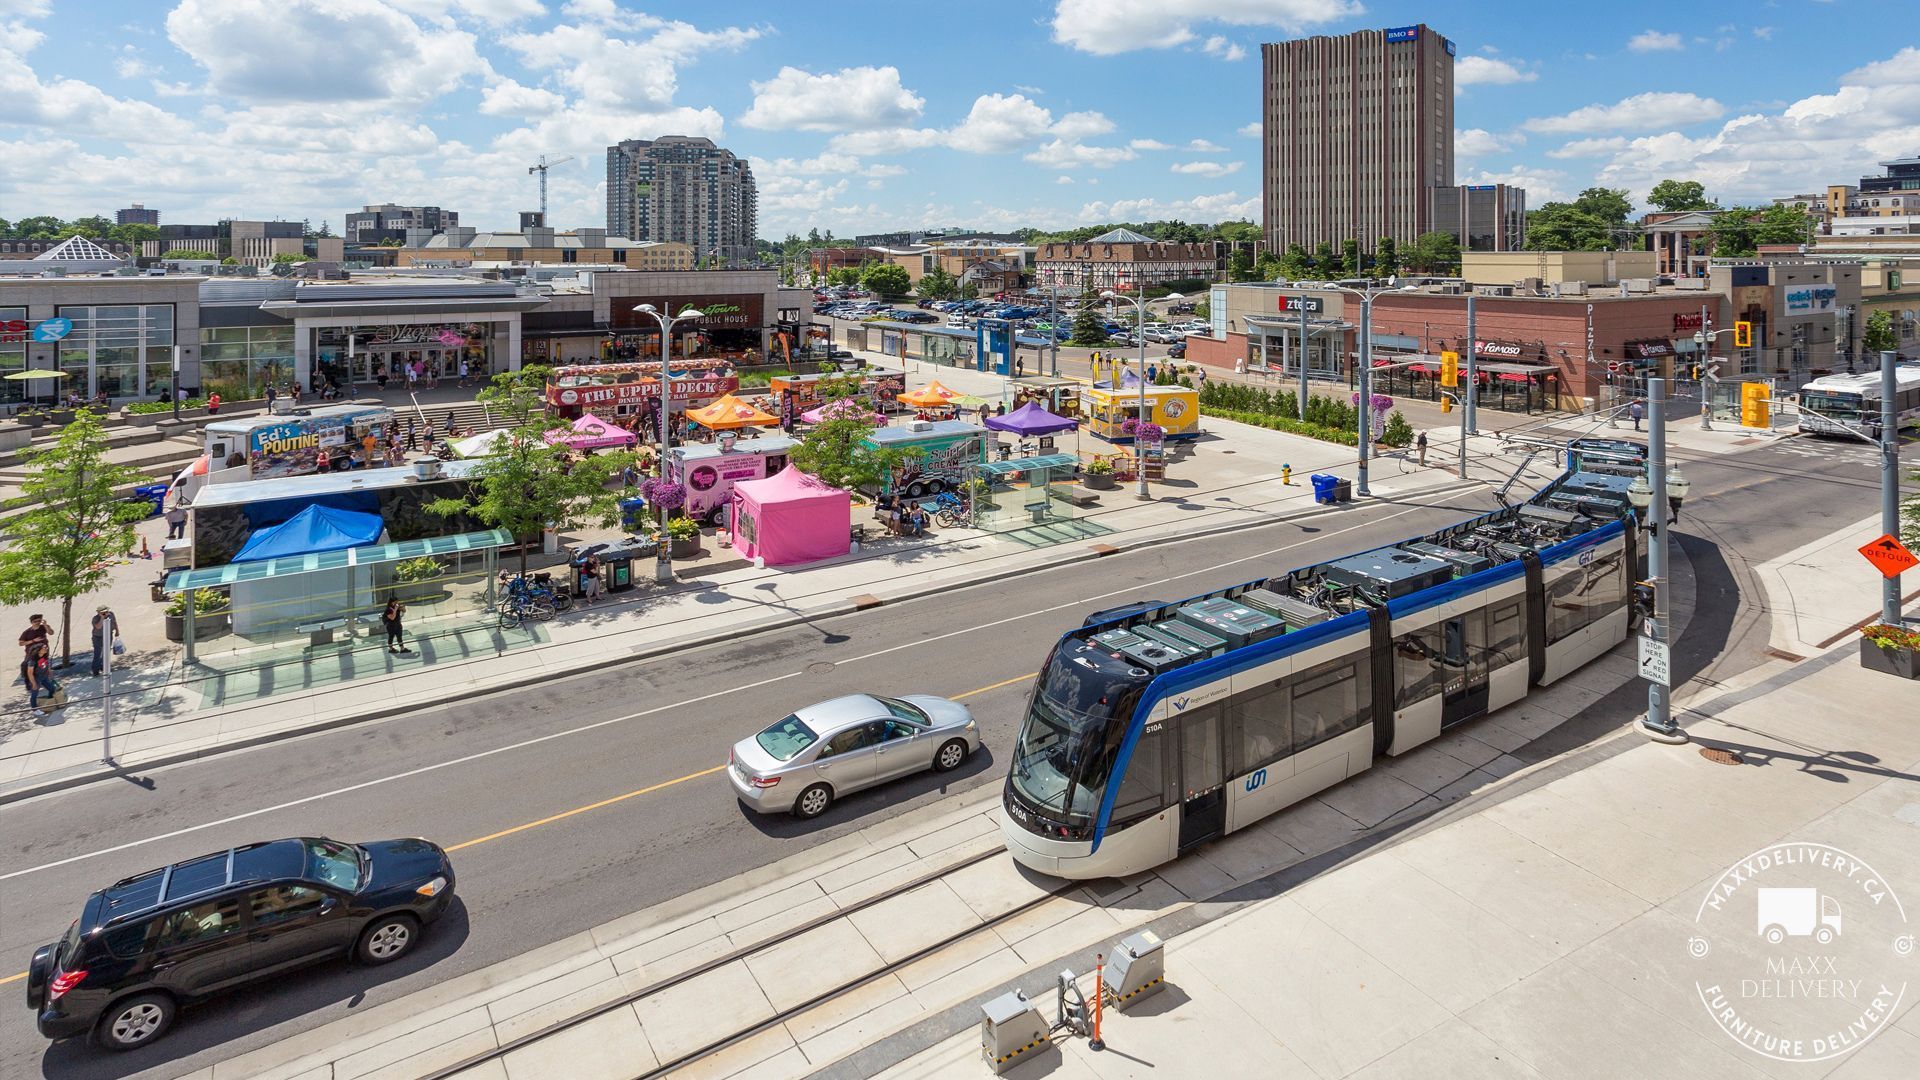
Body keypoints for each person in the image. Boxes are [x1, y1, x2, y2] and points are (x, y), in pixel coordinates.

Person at [22, 641, 60, 712]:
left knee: (52, 689)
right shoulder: (32, 660)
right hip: (36, 678)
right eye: (44, 648)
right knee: (34, 694)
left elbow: (47, 666)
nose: (46, 648)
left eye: (46, 647)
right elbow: (30, 673)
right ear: (39, 650)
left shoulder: (44, 656)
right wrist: (34, 683)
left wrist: (50, 674)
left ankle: (50, 702)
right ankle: (35, 710)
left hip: (44, 677)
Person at [90, 606, 119, 677]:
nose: (105, 613)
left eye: (106, 611)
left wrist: (117, 631)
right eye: (103, 612)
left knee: (106, 652)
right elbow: (98, 627)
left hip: (108, 635)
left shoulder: (111, 614)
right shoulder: (95, 619)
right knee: (98, 653)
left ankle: (103, 667)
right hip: (98, 637)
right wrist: (102, 618)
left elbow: (114, 622)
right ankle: (95, 670)